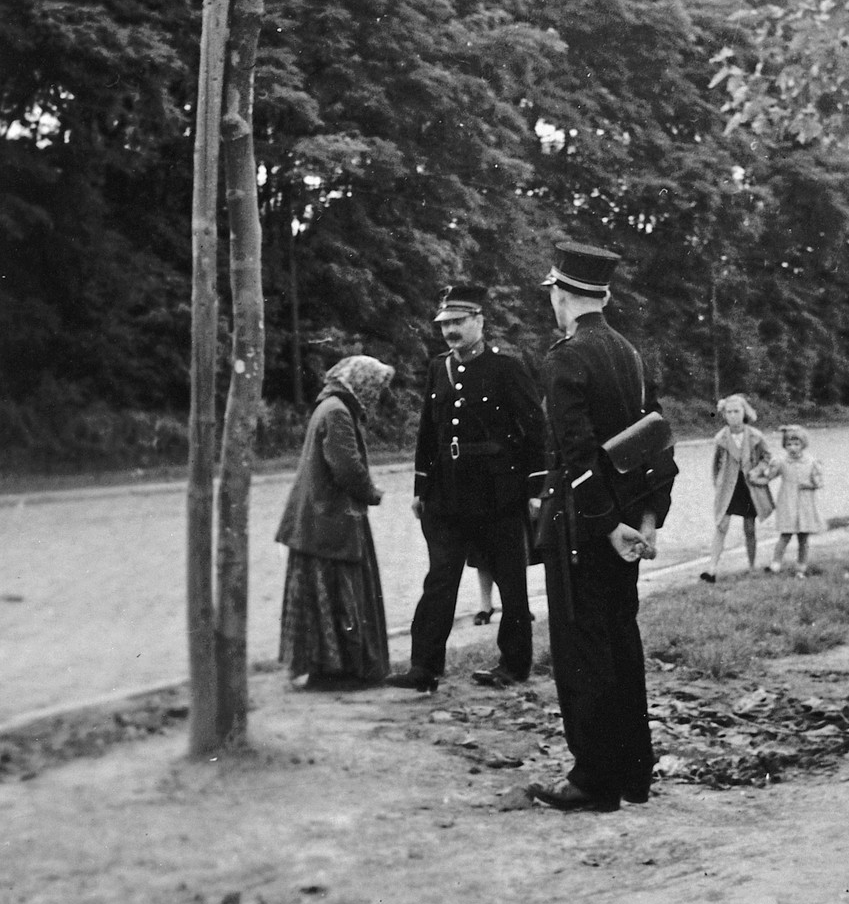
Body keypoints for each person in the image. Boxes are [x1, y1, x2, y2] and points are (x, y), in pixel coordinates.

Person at [528, 241, 677, 813]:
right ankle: (634, 773)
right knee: (621, 642)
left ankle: (593, 779)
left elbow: (577, 453)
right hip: (625, 531)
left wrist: (608, 524)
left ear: (562, 298)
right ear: (605, 296)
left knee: (582, 651)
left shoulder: (566, 357)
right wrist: (645, 520)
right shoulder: (629, 354)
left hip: (584, 532)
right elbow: (657, 443)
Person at [387, 284, 546, 692]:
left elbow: (535, 431)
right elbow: (428, 431)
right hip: (447, 494)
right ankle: (424, 667)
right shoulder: (439, 368)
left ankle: (514, 663)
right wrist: (420, 487)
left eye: (459, 322)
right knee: (440, 579)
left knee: (511, 582)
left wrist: (534, 488)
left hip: (498, 493)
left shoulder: (507, 368)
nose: (450, 331)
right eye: (445, 324)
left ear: (479, 321)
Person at [275, 355, 395, 690]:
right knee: (338, 594)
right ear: (362, 384)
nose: (378, 394)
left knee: (322, 597)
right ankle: (338, 671)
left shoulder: (329, 407)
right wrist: (371, 492)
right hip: (329, 518)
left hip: (317, 518)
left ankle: (327, 668)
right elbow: (347, 468)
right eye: (376, 386)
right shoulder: (339, 413)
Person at [700, 394, 773, 583]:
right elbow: (715, 465)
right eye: (729, 412)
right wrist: (717, 484)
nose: (733, 416)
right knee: (721, 525)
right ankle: (712, 569)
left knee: (749, 528)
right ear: (724, 415)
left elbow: (767, 457)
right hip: (728, 488)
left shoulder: (756, 436)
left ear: (745, 412)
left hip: (748, 486)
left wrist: (758, 470)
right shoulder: (721, 438)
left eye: (736, 411)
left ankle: (751, 566)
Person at [763, 424, 824, 577]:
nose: (793, 448)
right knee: (785, 534)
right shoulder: (782, 462)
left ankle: (801, 567)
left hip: (805, 502)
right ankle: (775, 564)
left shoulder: (810, 462)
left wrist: (809, 485)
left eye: (796, 444)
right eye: (789, 444)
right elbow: (770, 475)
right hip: (788, 501)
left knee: (803, 537)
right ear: (784, 445)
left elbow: (819, 483)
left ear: (803, 444)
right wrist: (765, 469)